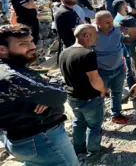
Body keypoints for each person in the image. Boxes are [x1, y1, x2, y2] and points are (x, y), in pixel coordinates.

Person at [0, 24, 79, 166]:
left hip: (21, 138)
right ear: (2, 50)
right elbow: (60, 94)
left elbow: (51, 87)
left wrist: (46, 90)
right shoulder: (13, 77)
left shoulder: (10, 69)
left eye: (31, 41)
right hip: (41, 139)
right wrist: (49, 92)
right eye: (23, 44)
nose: (32, 46)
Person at [59, 24, 106, 161]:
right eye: (95, 34)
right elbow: (94, 78)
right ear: (86, 36)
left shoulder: (64, 52)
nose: (97, 37)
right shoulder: (88, 54)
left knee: (78, 122)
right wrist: (102, 89)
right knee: (94, 126)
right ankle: (93, 153)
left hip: (72, 97)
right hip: (89, 98)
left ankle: (78, 149)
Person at [93, 11, 129, 124]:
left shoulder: (117, 28)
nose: (111, 24)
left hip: (118, 68)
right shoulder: (92, 33)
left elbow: (123, 39)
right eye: (107, 23)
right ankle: (98, 120)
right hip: (101, 72)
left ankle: (116, 114)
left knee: (117, 92)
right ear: (98, 23)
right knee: (99, 96)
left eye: (111, 21)